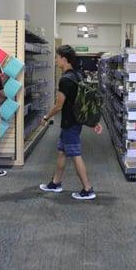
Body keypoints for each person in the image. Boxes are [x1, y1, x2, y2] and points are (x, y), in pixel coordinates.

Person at [39, 45, 102, 200]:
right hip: (74, 121)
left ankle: (87, 189)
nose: (55, 60)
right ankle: (56, 183)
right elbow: (81, 102)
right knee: (62, 151)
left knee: (75, 154)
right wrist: (92, 122)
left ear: (64, 59)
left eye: (57, 57)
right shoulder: (77, 76)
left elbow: (59, 105)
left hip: (70, 123)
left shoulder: (65, 80)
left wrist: (46, 117)